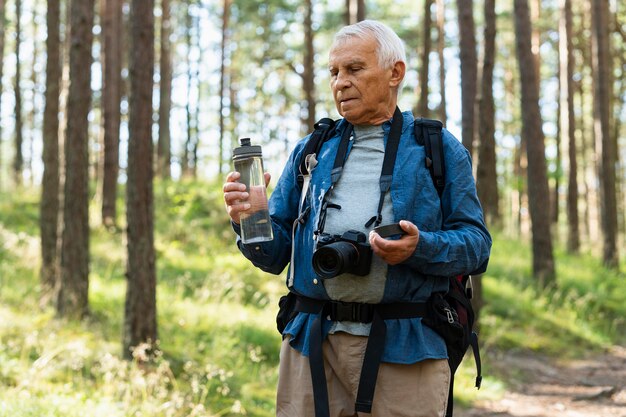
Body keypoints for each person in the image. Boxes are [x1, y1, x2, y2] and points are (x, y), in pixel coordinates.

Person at [223, 20, 491, 417]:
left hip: (408, 346)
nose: (340, 83)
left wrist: (421, 248)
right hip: (312, 344)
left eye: (354, 69)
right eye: (334, 72)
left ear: (394, 72)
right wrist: (249, 220)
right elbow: (274, 254)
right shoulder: (312, 149)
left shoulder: (436, 148)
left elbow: (476, 245)